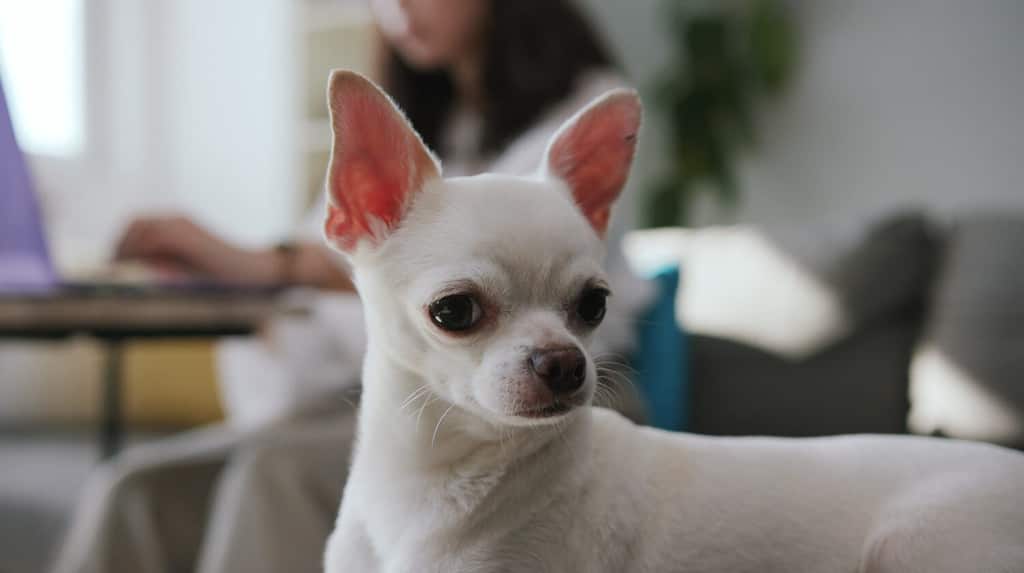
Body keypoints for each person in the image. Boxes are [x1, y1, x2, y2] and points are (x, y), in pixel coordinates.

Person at [51, 1, 647, 572]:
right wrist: (234, 265)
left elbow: (475, 263)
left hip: (558, 393)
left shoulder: (580, 109)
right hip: (404, 400)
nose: (398, 10)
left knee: (269, 475)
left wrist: (259, 263)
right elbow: (341, 244)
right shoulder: (421, 118)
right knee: (134, 489)